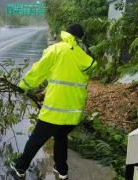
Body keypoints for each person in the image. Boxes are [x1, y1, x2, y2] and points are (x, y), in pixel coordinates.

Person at [10, 24, 97, 179]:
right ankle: (62, 171)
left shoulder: (57, 49)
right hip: (73, 113)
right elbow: (66, 79)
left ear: (66, 34)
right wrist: (45, 92)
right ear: (81, 38)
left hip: (55, 110)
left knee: (36, 140)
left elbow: (38, 71)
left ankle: (20, 168)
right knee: (61, 137)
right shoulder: (85, 55)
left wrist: (22, 86)